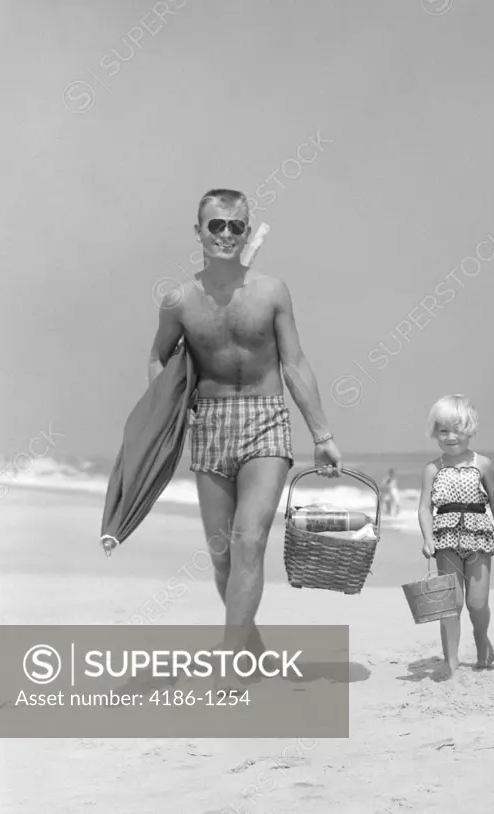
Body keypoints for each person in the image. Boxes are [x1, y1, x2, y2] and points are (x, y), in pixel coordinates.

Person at [148, 188, 343, 682]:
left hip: (265, 420)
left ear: (246, 228)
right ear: (198, 232)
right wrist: (163, 414)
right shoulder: (179, 299)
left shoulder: (272, 291)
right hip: (208, 421)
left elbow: (295, 362)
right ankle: (250, 646)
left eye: (237, 225)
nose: (228, 235)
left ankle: (232, 665)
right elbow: (158, 357)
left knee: (248, 539)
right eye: (217, 225)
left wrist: (321, 433)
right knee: (221, 555)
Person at [418, 395, 494, 679]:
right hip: (445, 541)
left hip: (478, 539)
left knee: (477, 604)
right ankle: (451, 661)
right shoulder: (433, 469)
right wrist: (427, 538)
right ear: (435, 432)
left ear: (469, 429)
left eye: (457, 429)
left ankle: (482, 641)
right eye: (443, 430)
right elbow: (424, 508)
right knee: (451, 603)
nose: (450, 436)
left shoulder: (483, 465)